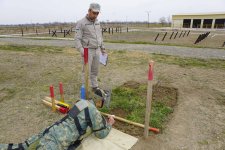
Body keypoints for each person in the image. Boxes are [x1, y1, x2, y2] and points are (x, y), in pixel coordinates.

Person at [0, 91, 115, 150]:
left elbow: (77, 119)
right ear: (99, 101)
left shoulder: (81, 102)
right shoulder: (94, 111)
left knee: (19, 147)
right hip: (56, 143)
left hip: (49, 132)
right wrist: (109, 123)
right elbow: (101, 134)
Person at [75, 2, 106, 92]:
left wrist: (102, 48)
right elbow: (77, 39)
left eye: (97, 13)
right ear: (89, 11)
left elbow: (99, 36)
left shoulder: (97, 22)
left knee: (95, 70)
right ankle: (85, 88)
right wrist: (82, 51)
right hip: (87, 50)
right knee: (86, 71)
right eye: (94, 13)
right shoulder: (81, 23)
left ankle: (94, 87)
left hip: (97, 50)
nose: (96, 15)